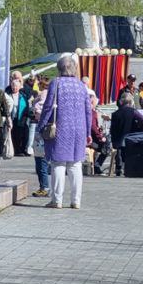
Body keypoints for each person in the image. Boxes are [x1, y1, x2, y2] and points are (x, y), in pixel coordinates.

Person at [37, 52, 93, 208]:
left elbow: (48, 107)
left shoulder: (56, 83)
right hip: (79, 130)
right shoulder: (82, 86)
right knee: (75, 165)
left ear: (59, 68)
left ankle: (57, 200)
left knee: (58, 163)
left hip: (61, 128)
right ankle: (76, 201)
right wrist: (88, 132)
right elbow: (88, 110)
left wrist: (41, 126)